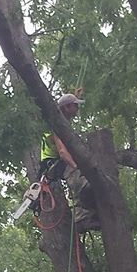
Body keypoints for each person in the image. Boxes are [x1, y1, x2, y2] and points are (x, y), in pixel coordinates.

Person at [39, 93, 100, 232]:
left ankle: (88, 212)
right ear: (66, 108)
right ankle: (81, 217)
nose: (78, 108)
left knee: (83, 179)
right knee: (82, 182)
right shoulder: (56, 125)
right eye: (75, 105)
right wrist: (76, 167)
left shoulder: (63, 122)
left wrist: (76, 94)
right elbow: (62, 152)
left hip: (58, 160)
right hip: (53, 162)